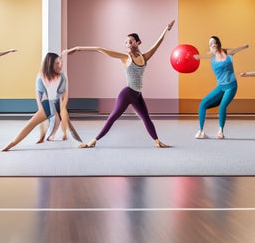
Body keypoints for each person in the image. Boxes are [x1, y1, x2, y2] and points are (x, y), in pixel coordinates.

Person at [63, 20, 175, 149]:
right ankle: (93, 141)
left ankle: (157, 141)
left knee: (146, 118)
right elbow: (101, 49)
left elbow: (157, 44)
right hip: (127, 94)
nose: (128, 43)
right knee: (113, 118)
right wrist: (77, 49)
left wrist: (166, 29)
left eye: (131, 41)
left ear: (138, 42)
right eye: (127, 42)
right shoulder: (125, 57)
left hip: (137, 95)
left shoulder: (144, 57)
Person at [2, 52, 81, 151]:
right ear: (50, 63)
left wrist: (62, 110)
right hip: (46, 104)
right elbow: (39, 95)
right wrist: (42, 109)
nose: (60, 65)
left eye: (60, 62)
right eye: (57, 63)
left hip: (57, 103)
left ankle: (73, 139)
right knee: (31, 124)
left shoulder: (62, 77)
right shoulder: (41, 76)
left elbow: (65, 96)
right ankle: (11, 144)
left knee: (64, 121)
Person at [193, 37, 249, 139]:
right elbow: (205, 55)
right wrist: (196, 57)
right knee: (203, 103)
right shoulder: (211, 56)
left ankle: (221, 131)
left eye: (214, 42)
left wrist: (245, 46)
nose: (213, 44)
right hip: (220, 87)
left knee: (222, 107)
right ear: (210, 47)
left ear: (218, 44)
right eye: (211, 43)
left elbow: (235, 50)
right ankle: (201, 131)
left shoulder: (227, 53)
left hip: (231, 86)